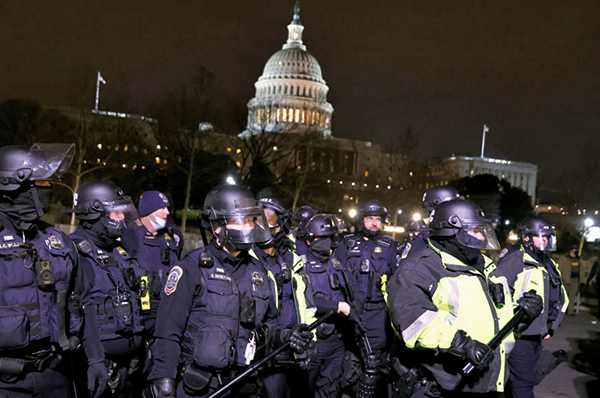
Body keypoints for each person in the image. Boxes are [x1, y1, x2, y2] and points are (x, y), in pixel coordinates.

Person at [147, 184, 312, 398]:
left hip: (246, 384)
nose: (249, 227)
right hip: (201, 386)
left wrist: (287, 335)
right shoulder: (191, 268)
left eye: (251, 220)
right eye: (240, 221)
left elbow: (269, 323)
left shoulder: (258, 271)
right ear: (217, 226)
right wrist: (164, 377)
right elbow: (167, 331)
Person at [388, 199, 543, 398]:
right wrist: (462, 345)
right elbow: (413, 324)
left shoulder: (485, 265)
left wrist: (521, 315)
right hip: (445, 386)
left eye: (482, 230)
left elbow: (493, 316)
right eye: (475, 230)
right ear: (451, 231)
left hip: (487, 383)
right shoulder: (419, 270)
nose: (481, 237)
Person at [0, 143, 81, 398]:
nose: (50, 187)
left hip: (55, 375)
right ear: (16, 184)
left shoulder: (56, 239)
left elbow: (79, 300)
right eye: (42, 181)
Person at [68, 180, 147, 398]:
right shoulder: (74, 253)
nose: (122, 218)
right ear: (94, 213)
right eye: (116, 213)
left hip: (128, 370)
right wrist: (94, 360)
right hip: (92, 372)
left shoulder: (119, 251)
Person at [492, 217, 568, 398]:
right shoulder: (516, 260)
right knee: (523, 384)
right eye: (540, 237)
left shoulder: (547, 262)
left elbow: (560, 295)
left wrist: (551, 326)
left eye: (547, 237)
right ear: (526, 238)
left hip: (537, 335)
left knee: (521, 379)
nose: (544, 241)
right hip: (519, 335)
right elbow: (495, 293)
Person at [336, 199, 400, 397]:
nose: (374, 223)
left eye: (378, 219)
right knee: (347, 361)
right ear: (361, 220)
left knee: (373, 363)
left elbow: (398, 281)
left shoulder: (390, 247)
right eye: (370, 219)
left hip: (377, 314)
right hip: (348, 313)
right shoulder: (346, 244)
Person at [254, 196, 317, 398]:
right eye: (256, 218)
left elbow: (305, 303)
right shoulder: (246, 256)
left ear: (280, 225)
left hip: (290, 345)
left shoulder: (292, 259)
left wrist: (309, 341)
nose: (259, 224)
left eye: (267, 219)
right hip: (260, 347)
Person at [303, 213, 364, 398]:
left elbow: (355, 290)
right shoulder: (301, 265)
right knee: (305, 388)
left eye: (330, 237)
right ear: (309, 241)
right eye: (322, 238)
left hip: (337, 340)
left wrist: (356, 306)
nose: (327, 242)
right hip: (314, 341)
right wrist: (337, 306)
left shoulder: (337, 263)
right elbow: (307, 300)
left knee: (330, 388)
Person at [121, 190, 183, 337]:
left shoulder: (172, 237)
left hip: (168, 311)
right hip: (141, 311)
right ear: (148, 211)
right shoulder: (130, 235)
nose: (167, 212)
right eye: (161, 208)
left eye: (167, 208)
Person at [556, 245, 581, 314]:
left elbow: (581, 270)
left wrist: (582, 281)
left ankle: (570, 310)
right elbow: (559, 268)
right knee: (564, 296)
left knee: (572, 296)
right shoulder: (564, 258)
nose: (576, 250)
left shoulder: (578, 259)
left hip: (574, 280)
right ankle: (561, 310)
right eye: (574, 249)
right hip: (565, 279)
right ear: (570, 250)